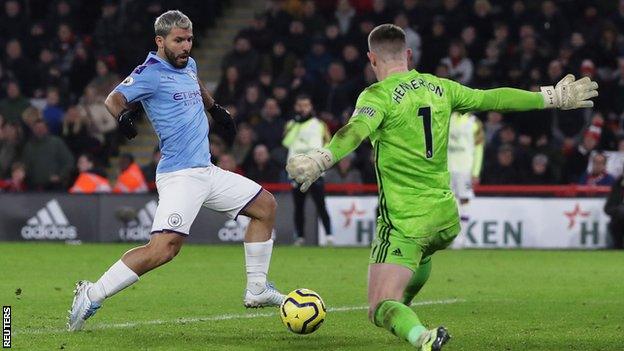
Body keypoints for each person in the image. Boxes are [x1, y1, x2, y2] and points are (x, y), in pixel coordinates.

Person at [286, 24, 598, 350]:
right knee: (417, 262)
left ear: (371, 58)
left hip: (407, 221)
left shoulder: (376, 96)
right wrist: (550, 96)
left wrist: (321, 159)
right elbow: (493, 98)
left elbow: (355, 131)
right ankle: (404, 308)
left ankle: (423, 337)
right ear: (408, 54)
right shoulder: (440, 87)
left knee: (379, 308)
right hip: (445, 218)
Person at [68, 10, 284, 332]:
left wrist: (216, 109)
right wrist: (124, 117)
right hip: (179, 174)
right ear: (160, 41)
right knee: (163, 250)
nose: (186, 47)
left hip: (206, 171)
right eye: (178, 41)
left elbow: (196, 84)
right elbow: (114, 98)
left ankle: (256, 288)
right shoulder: (149, 72)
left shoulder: (189, 65)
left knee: (265, 207)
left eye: (189, 40)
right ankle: (92, 293)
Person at [282, 94, 333, 246]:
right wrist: (296, 125)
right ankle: (300, 237)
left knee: (321, 205)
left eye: (306, 105)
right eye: (300, 105)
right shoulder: (291, 124)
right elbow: (286, 142)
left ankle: (329, 236)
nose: (303, 108)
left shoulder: (320, 124)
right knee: (298, 206)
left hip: (315, 170)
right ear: (295, 107)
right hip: (296, 171)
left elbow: (327, 144)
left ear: (311, 106)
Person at [447, 112, 484, 248]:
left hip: (465, 168)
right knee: (448, 203)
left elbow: (479, 148)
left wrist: (475, 171)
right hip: (447, 167)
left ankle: (461, 239)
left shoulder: (474, 123)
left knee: (464, 201)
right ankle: (448, 238)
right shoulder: (447, 117)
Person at [604, 176, 624, 249]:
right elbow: (607, 208)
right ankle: (618, 247)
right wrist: (618, 210)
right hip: (618, 222)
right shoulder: (617, 187)